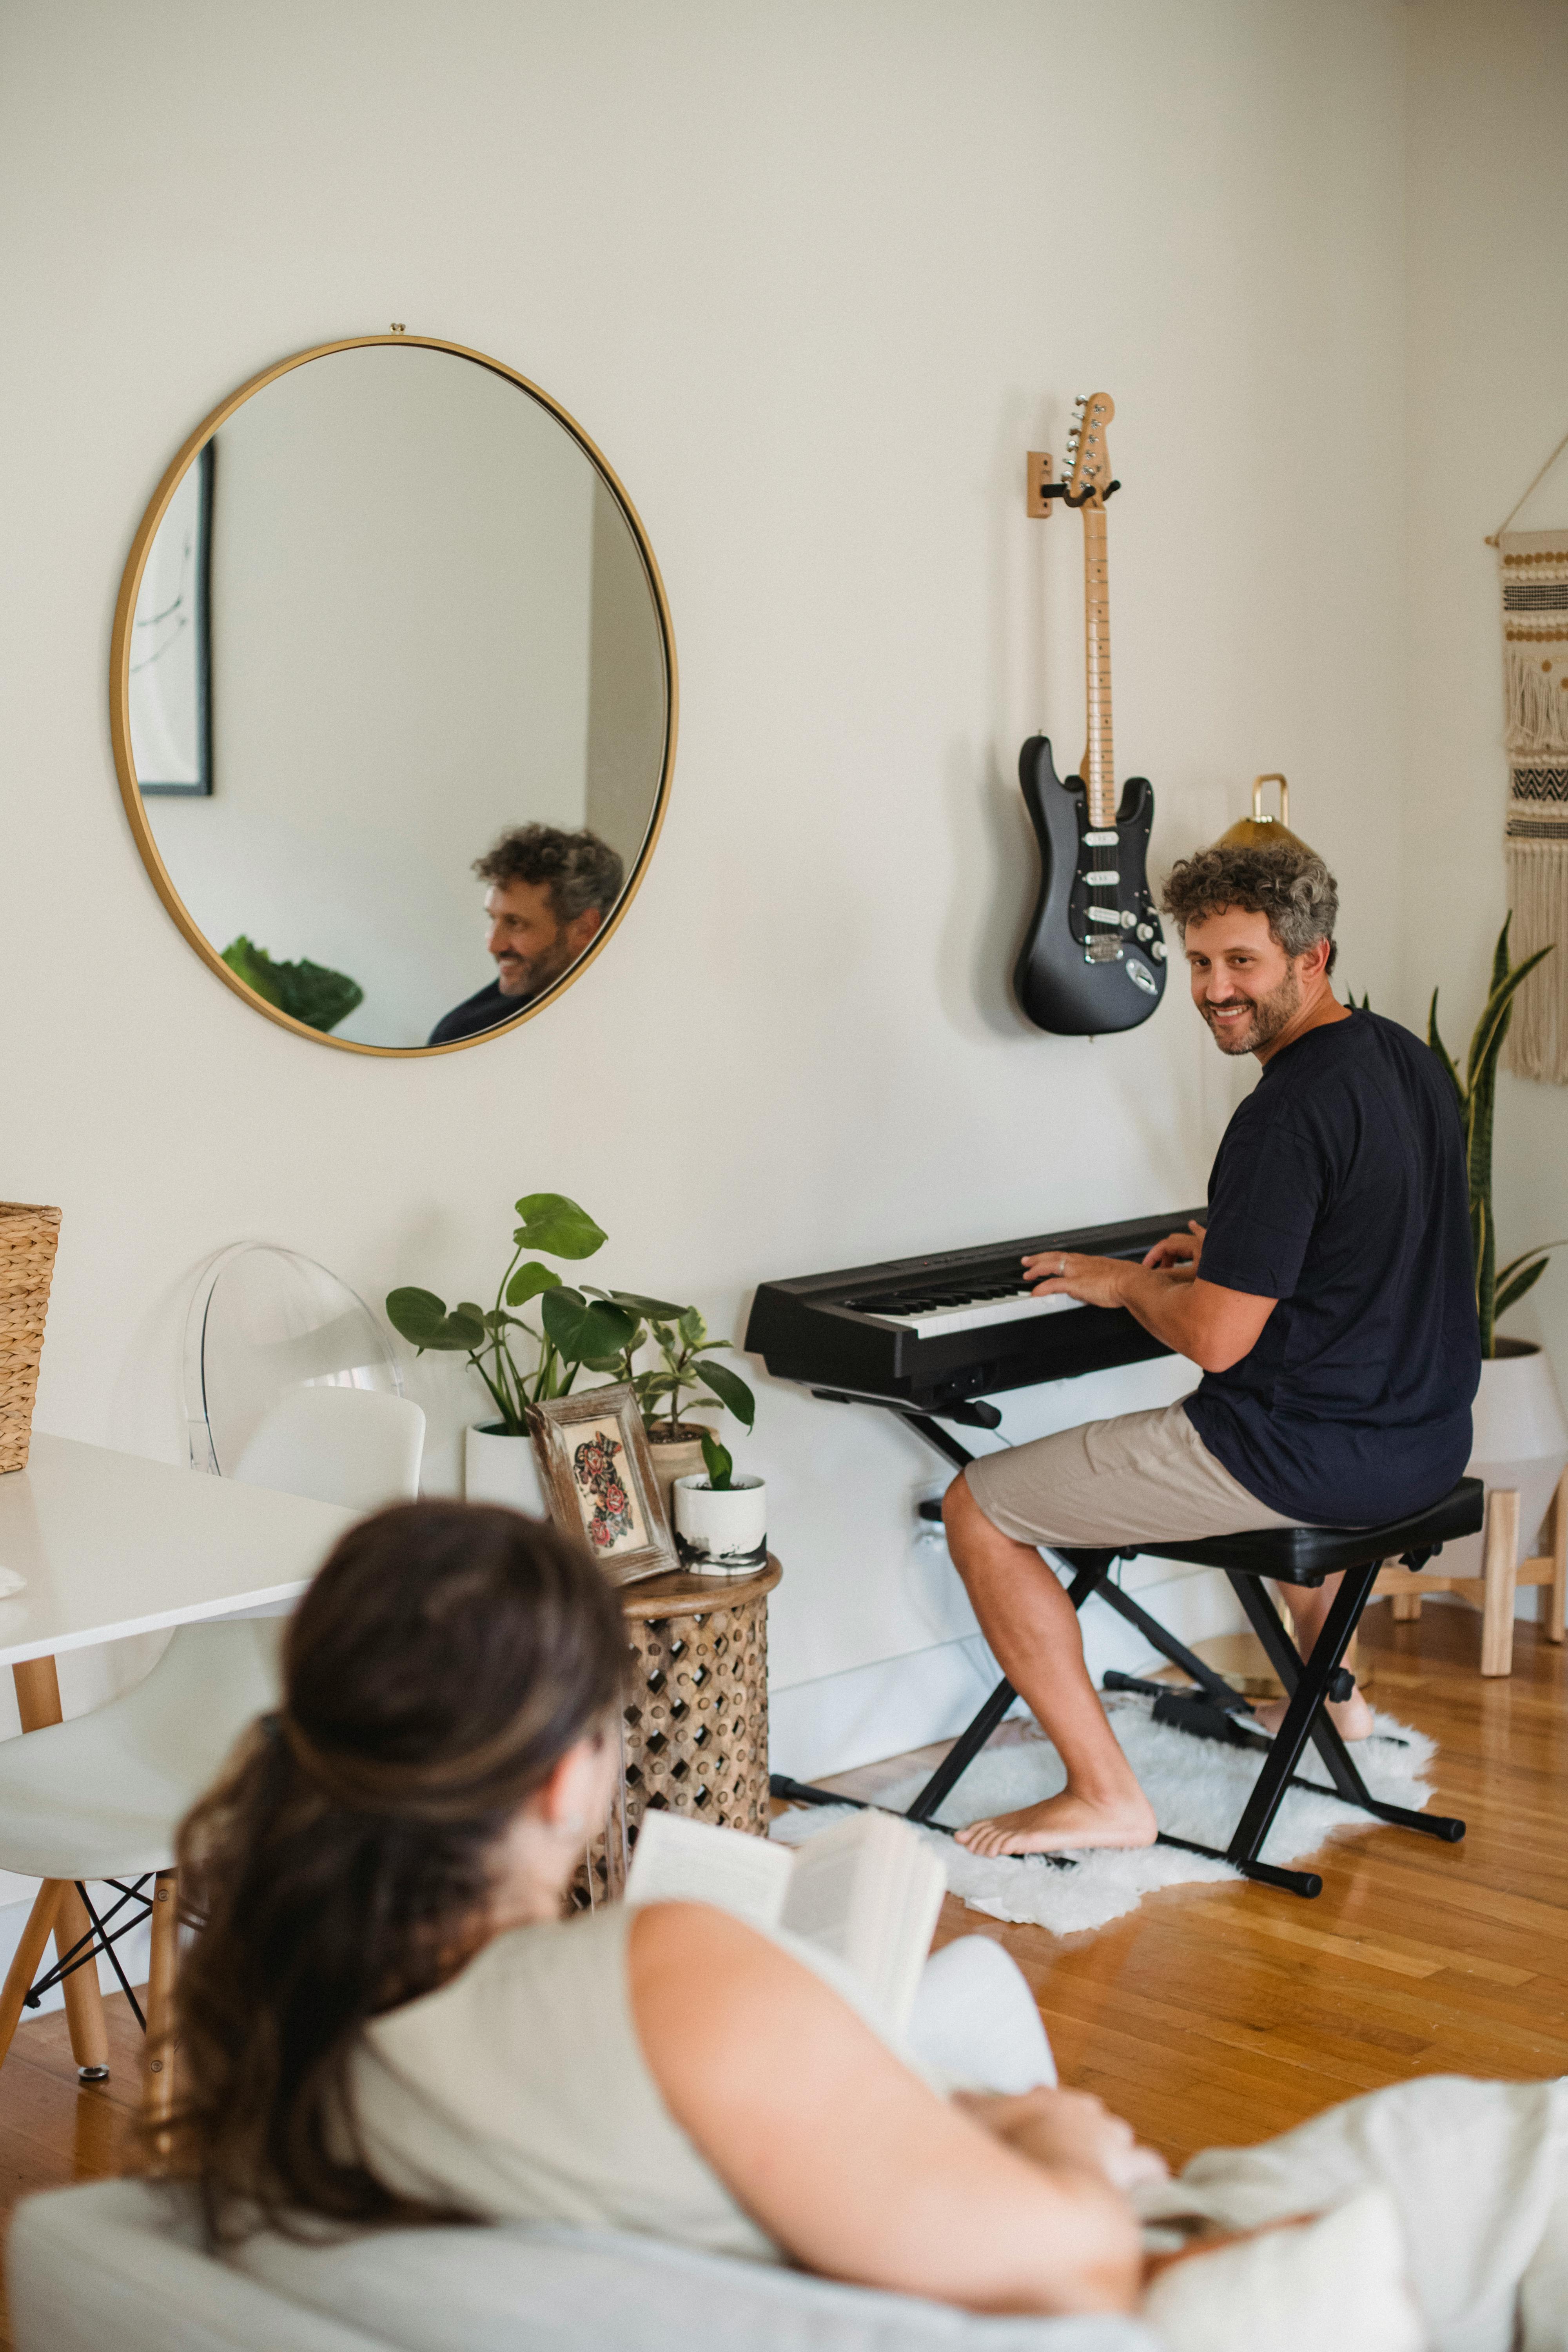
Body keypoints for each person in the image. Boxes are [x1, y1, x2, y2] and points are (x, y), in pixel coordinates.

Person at [159, 1503, 1565, 2349]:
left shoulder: (305, 2052)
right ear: (565, 1775)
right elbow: (1074, 2264)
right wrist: (1046, 2132)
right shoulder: (668, 1972)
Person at [944, 842, 1480, 1858]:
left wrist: (1123, 1280)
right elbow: (1368, 1239)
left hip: (1298, 1459)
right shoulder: (1403, 1059)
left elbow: (1218, 1342)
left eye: (1242, 963)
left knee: (980, 1505)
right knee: (1288, 1412)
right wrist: (1233, 1252)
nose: (1214, 991)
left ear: (1310, 958)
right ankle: (1340, 1702)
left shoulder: (1283, 1113)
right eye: (1198, 963)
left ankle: (1103, 1794)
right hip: (1419, 1444)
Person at [428, 824, 624, 1045]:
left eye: (515, 923)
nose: (494, 945)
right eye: (493, 918)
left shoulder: (639, 1022)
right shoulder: (466, 1036)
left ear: (584, 929)